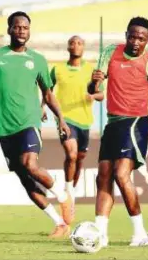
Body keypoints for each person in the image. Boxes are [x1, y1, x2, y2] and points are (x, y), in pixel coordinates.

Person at [0, 11, 74, 238]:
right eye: (17, 27)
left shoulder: (37, 59)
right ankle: (59, 223)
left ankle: (63, 196)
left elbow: (48, 94)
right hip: (5, 129)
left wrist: (61, 119)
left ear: (29, 31)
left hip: (29, 123)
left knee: (30, 164)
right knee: (25, 179)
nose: (21, 31)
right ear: (9, 30)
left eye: (25, 28)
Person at [88, 16, 148, 247]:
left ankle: (140, 233)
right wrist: (94, 82)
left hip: (136, 122)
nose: (136, 41)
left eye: (141, 38)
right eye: (133, 36)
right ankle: (100, 234)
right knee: (103, 174)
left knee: (121, 174)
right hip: (113, 123)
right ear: (126, 35)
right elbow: (94, 88)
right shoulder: (110, 52)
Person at [42, 35, 104, 210]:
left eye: (79, 43)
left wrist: (93, 95)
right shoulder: (58, 69)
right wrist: (42, 107)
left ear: (83, 47)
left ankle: (72, 189)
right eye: (72, 43)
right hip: (65, 119)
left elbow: (101, 95)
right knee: (71, 155)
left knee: (79, 159)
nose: (75, 45)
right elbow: (47, 89)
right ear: (68, 47)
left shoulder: (92, 71)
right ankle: (68, 195)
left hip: (85, 121)